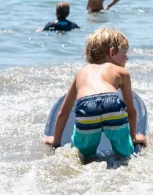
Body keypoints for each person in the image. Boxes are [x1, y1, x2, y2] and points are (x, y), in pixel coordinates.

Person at [44, 28, 147, 160]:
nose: (127, 57)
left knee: (83, 155)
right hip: (112, 106)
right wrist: (133, 138)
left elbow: (63, 112)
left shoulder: (80, 73)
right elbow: (131, 111)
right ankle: (123, 154)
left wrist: (56, 140)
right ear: (112, 52)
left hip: (87, 108)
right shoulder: (122, 73)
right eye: (124, 52)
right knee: (124, 153)